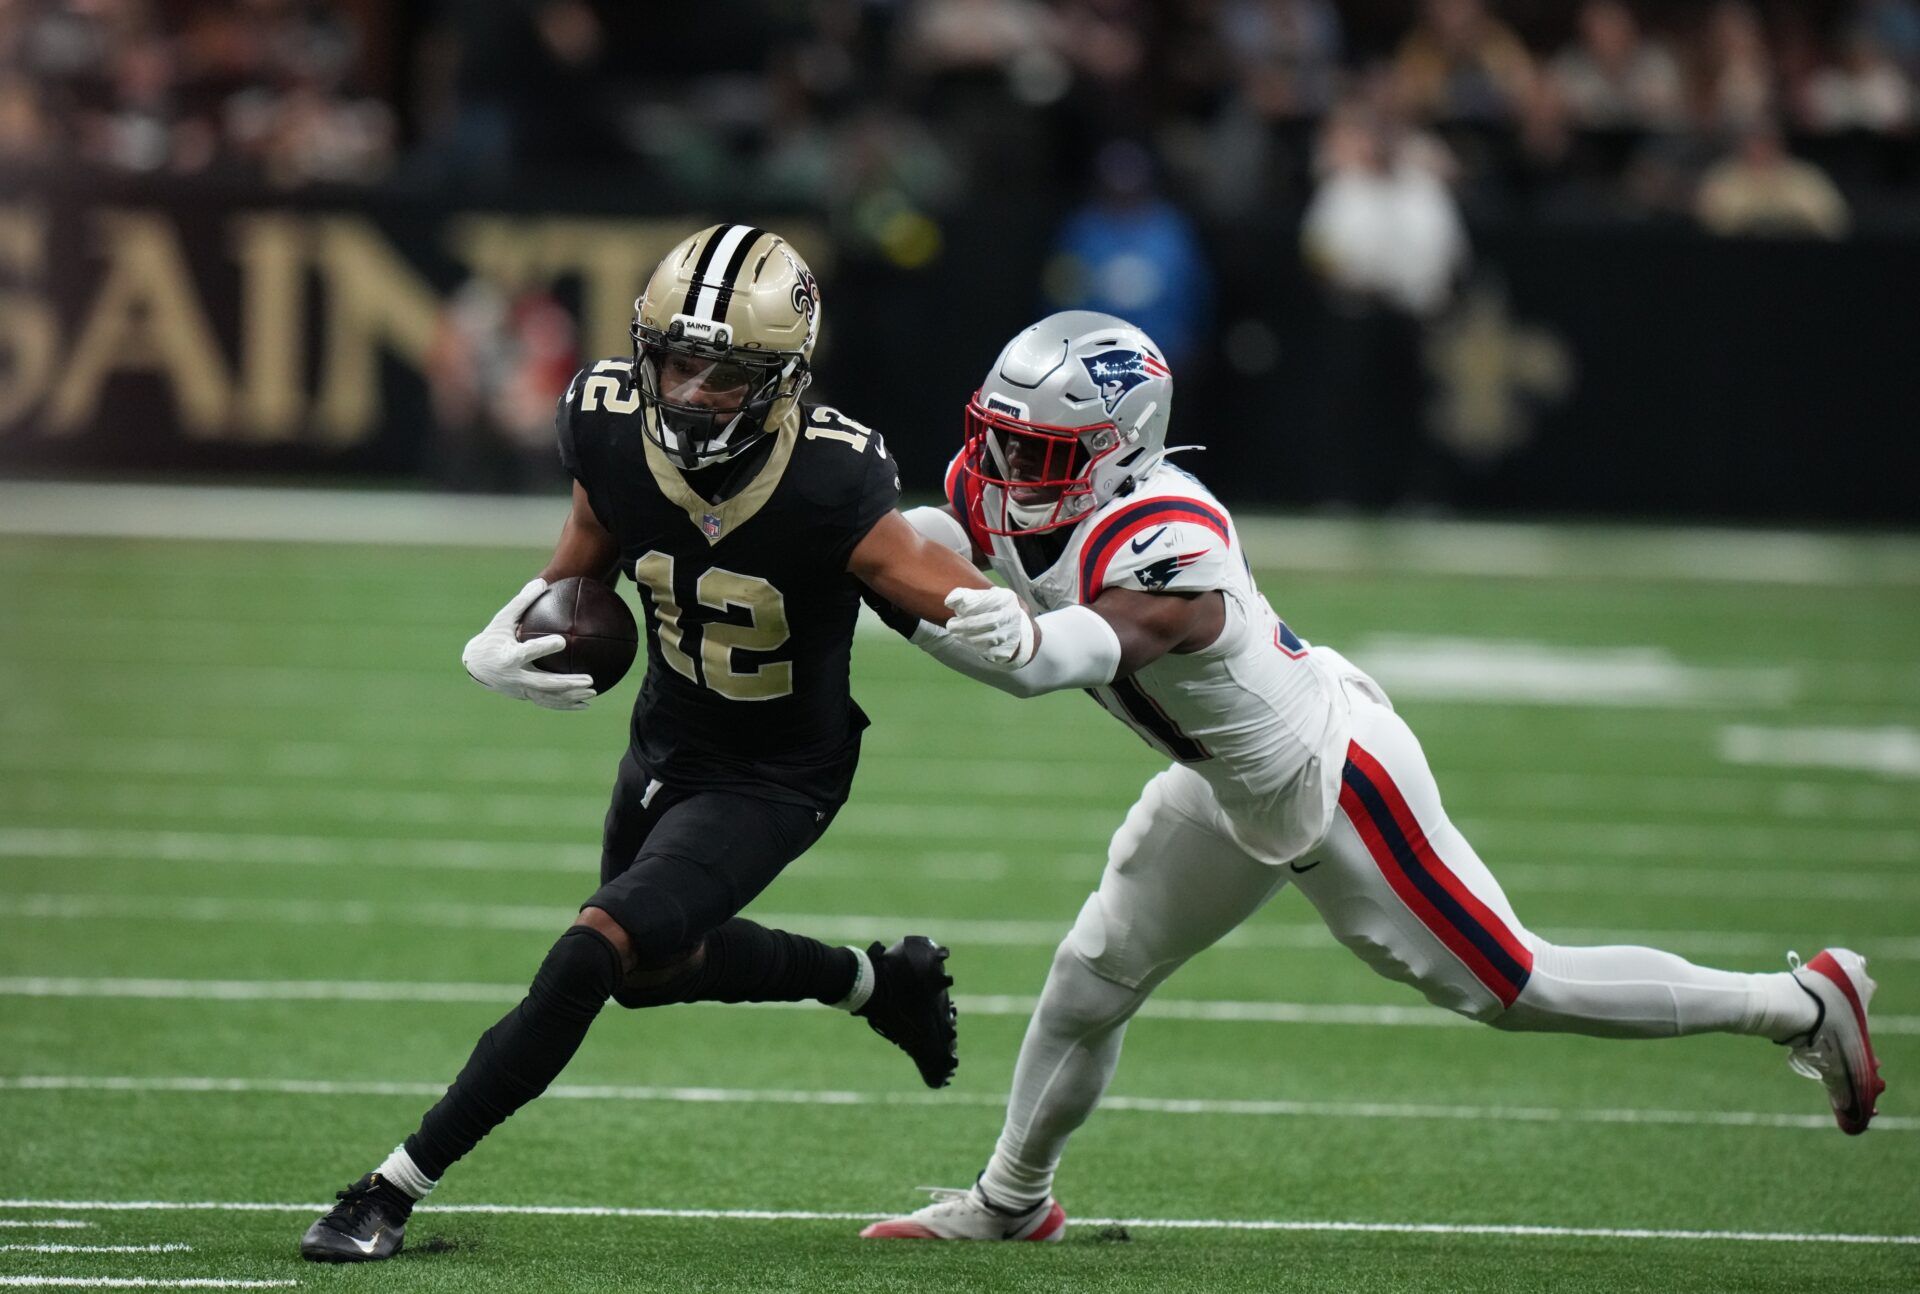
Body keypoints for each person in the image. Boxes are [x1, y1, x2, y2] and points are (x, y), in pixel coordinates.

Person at [858, 310, 1885, 1242]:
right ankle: (1012, 1199)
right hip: (1218, 778)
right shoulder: (1015, 483)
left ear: (1118, 447)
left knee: (1513, 984)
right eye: (995, 435)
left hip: (1330, 778)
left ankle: (1797, 1001)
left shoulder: (1170, 537)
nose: (1000, 464)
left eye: (1033, 448)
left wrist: (936, 608)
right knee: (1093, 976)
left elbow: (1050, 661)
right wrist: (885, 558)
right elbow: (937, 539)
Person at [299, 225, 997, 1262]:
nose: (687, 390)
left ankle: (389, 1188)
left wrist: (1027, 619)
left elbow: (965, 608)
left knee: (596, 947)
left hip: (776, 773)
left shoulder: (832, 474)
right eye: (673, 359)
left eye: (724, 373)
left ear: (784, 379)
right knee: (648, 970)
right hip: (666, 737)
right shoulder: (606, 420)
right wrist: (515, 626)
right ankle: (878, 981)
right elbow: (586, 552)